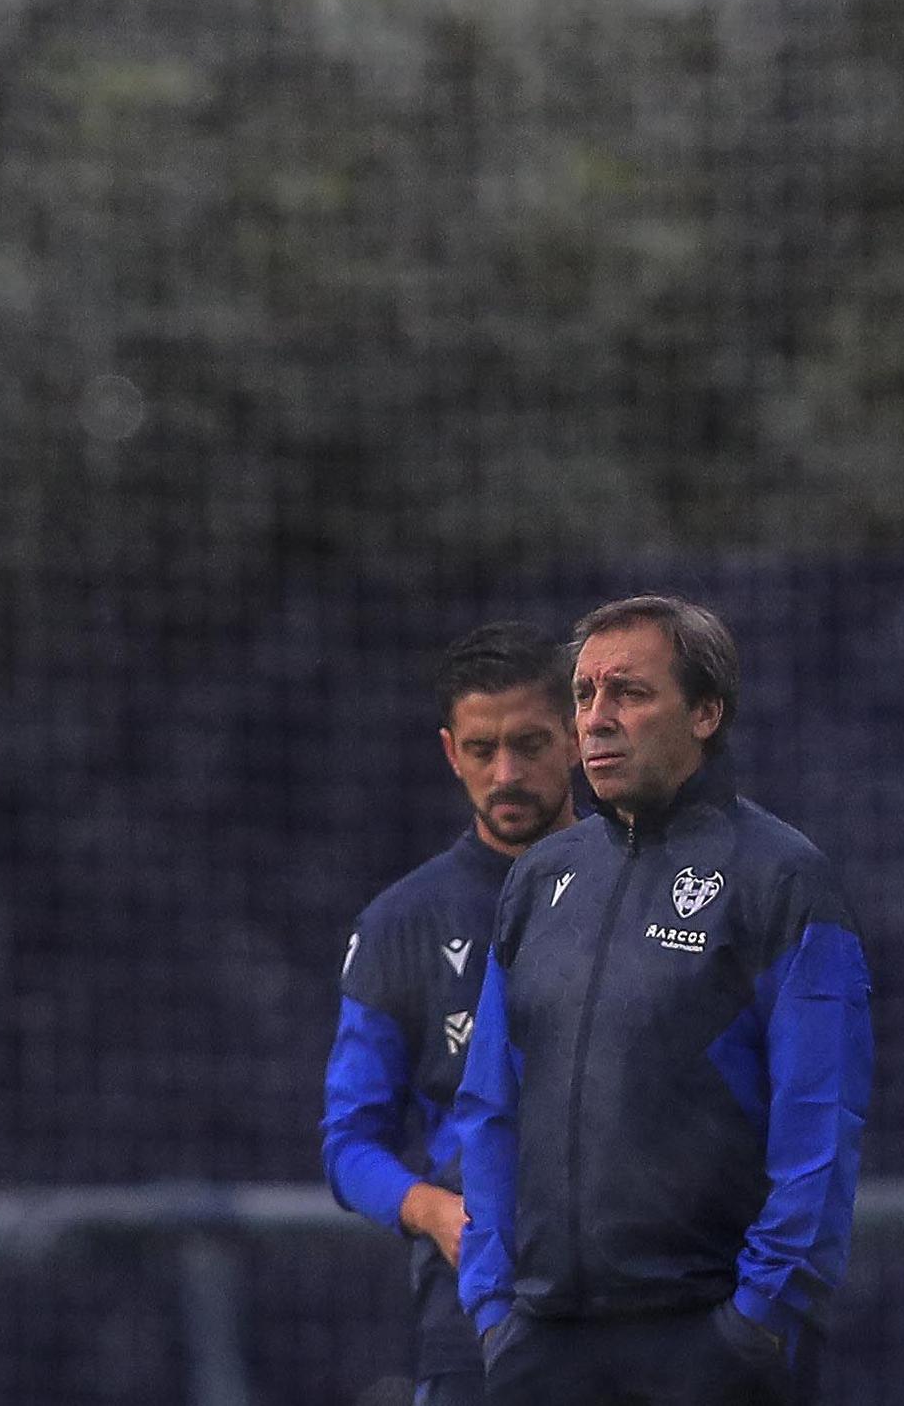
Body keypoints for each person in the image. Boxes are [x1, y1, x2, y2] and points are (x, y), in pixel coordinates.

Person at [456, 595, 873, 1406]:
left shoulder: (781, 878)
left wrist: (759, 1318)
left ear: (707, 711)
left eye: (630, 693)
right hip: (543, 1348)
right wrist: (494, 1308)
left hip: (710, 1343)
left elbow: (821, 1121)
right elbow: (489, 1106)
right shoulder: (538, 880)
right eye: (583, 695)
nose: (597, 719)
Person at [322, 622, 582, 1406]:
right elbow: (348, 1143)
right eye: (481, 749)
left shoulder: (652, 888)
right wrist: (435, 1212)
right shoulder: (401, 923)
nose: (506, 773)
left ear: (574, 736)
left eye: (530, 743)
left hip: (652, 1306)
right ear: (449, 752)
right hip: (475, 1323)